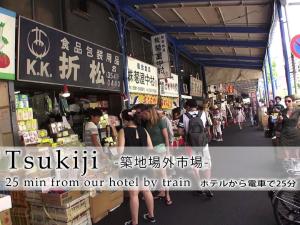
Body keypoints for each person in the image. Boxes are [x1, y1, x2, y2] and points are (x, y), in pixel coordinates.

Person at [117, 109, 156, 225]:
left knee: (133, 194)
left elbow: (120, 151)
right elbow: (151, 149)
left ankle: (135, 222)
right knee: (146, 190)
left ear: (125, 119)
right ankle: (151, 216)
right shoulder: (143, 130)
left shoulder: (123, 131)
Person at [177, 99, 213, 198]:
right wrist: (207, 135)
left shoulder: (183, 116)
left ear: (188, 107)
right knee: (206, 164)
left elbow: (180, 132)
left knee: (194, 166)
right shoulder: (204, 113)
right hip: (203, 144)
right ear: (196, 106)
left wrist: (188, 134)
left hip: (190, 144)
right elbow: (208, 127)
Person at [141, 105, 173, 205]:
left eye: (145, 113)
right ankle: (162, 192)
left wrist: (168, 151)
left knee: (163, 173)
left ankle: (167, 196)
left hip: (160, 149)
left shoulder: (161, 120)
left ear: (150, 112)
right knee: (156, 173)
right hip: (151, 150)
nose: (144, 115)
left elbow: (166, 137)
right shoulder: (146, 123)